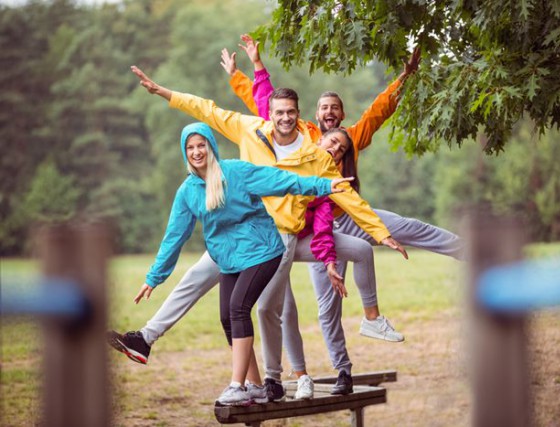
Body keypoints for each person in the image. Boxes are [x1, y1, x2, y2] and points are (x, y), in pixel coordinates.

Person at [112, 66, 407, 401]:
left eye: (291, 113)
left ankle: (270, 379)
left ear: (299, 115)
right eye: (279, 112)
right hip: (237, 234)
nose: (284, 118)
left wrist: (380, 232)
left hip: (279, 235)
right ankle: (146, 338)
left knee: (267, 307)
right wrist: (164, 92)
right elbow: (207, 110)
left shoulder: (314, 151)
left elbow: (341, 193)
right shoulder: (251, 130)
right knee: (197, 278)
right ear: (270, 112)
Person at [223, 34, 466, 390]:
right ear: (315, 114)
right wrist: (244, 72)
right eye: (324, 107)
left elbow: (380, 109)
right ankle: (342, 371)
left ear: (342, 115)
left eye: (335, 108)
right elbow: (265, 105)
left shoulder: (352, 136)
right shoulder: (304, 136)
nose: (329, 113)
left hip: (355, 218)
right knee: (327, 306)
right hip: (318, 229)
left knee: (410, 228)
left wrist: (404, 78)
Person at [109, 122, 350, 406]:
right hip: (229, 258)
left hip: (262, 250)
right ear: (184, 153)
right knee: (227, 318)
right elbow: (174, 237)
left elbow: (282, 181)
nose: (197, 152)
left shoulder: (237, 172)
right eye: (190, 147)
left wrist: (324, 184)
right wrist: (154, 277)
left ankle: (237, 385)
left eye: (201, 145)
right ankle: (258, 387)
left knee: (238, 308)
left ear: (211, 146)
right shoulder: (188, 192)